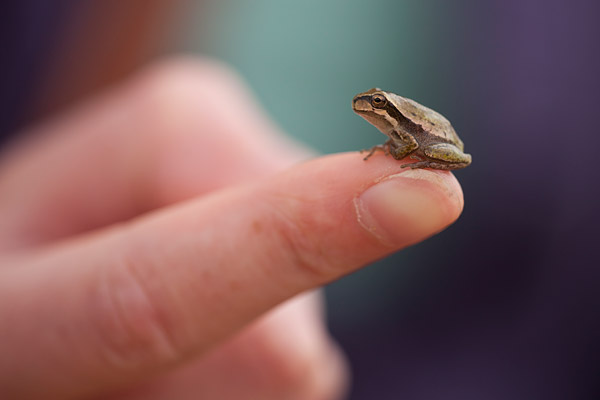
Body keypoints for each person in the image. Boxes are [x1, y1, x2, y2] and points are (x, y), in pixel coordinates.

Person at [0, 56, 464, 399]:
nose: (368, 106)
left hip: (438, 148)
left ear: (389, 109)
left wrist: (395, 152)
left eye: (377, 104)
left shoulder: (405, 130)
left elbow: (405, 147)